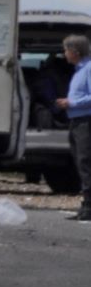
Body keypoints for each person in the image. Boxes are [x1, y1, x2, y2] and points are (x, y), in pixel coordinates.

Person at [56, 34, 91, 220]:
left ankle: (89, 206)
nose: (64, 54)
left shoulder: (89, 69)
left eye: (66, 50)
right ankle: (86, 204)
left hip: (86, 120)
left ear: (75, 52)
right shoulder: (79, 70)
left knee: (86, 162)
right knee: (80, 161)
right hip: (77, 121)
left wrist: (72, 103)